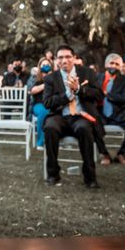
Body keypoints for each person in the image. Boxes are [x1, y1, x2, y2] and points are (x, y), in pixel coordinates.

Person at [42, 45, 103, 188]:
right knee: (50, 127)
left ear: (74, 58)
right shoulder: (51, 78)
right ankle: (53, 174)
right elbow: (47, 102)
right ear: (57, 60)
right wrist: (67, 95)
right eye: (61, 57)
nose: (65, 60)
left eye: (68, 57)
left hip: (81, 116)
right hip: (60, 116)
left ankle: (90, 177)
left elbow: (99, 94)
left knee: (84, 129)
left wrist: (80, 90)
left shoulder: (87, 73)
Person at [98, 54, 125, 164]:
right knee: (90, 126)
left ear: (121, 66)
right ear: (106, 64)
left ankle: (122, 153)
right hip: (100, 114)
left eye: (117, 64)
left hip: (118, 114)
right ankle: (104, 154)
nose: (114, 66)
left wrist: (107, 94)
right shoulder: (97, 78)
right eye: (111, 63)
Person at [27, 57, 53, 150]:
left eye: (47, 65)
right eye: (43, 65)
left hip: (52, 104)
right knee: (43, 112)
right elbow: (31, 90)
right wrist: (45, 84)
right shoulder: (35, 77)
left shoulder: (55, 77)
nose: (46, 66)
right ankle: (40, 142)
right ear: (40, 66)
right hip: (38, 105)